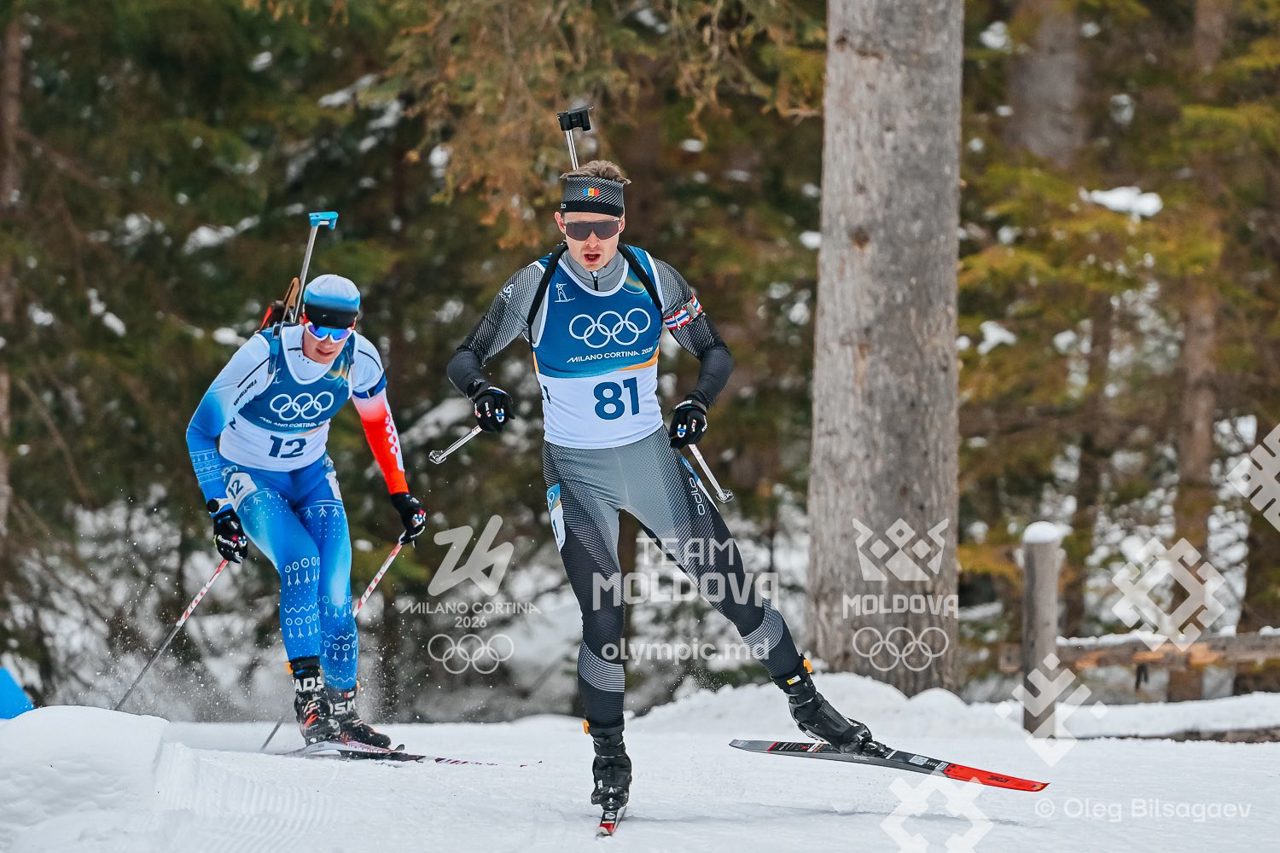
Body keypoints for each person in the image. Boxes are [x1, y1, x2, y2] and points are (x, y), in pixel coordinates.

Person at [446, 161, 876, 815]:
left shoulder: (651, 277)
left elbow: (716, 351)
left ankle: (809, 703)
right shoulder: (535, 286)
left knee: (734, 592)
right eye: (580, 225)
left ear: (623, 223)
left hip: (652, 464)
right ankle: (610, 758)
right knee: (605, 615)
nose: (592, 239)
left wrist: (698, 402)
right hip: (578, 473)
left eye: (606, 225)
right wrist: (482, 390)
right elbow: (465, 355)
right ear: (561, 222)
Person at [186, 274, 427, 746]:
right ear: (304, 321)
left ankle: (343, 711)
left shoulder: (360, 357)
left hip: (312, 476)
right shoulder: (265, 354)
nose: (328, 343)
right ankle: (310, 702)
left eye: (340, 333)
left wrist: (401, 492)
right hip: (251, 476)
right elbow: (200, 430)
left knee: (336, 593)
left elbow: (380, 425)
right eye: (319, 330)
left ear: (354, 326)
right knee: (301, 562)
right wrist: (221, 511)